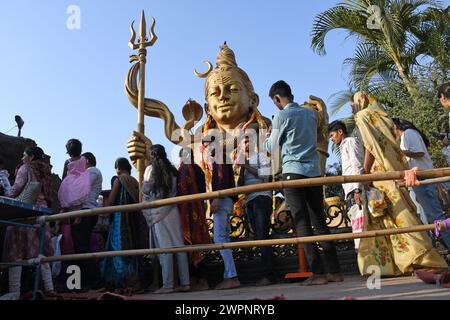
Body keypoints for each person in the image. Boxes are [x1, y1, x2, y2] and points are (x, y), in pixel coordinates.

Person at [352, 91, 448, 276]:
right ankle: (404, 262)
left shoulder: (362, 116)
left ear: (360, 102)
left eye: (354, 102)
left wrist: (364, 173)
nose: (352, 106)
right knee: (398, 217)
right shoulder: (384, 117)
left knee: (397, 218)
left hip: (380, 175)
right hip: (393, 172)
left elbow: (371, 146)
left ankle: (419, 259)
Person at [264, 80, 342, 286]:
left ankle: (317, 273)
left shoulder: (282, 115)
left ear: (277, 99)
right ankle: (334, 271)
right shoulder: (310, 114)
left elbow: (272, 147)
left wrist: (266, 137)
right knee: (319, 220)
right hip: (314, 172)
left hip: (293, 173)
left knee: (302, 222)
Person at [1, 147, 54, 300]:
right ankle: (49, 287)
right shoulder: (45, 171)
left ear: (30, 157)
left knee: (15, 251)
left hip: (25, 212)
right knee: (41, 249)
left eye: (24, 155)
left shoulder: (25, 168)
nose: (22, 158)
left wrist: (6, 191)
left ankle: (14, 291)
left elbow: (15, 189)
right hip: (41, 210)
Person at [392, 118, 450, 249]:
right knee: (426, 218)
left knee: (436, 217)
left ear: (395, 126)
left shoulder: (408, 133)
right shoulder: (405, 137)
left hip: (422, 179)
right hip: (418, 181)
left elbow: (419, 153)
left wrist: (398, 151)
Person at [142, 145, 190, 294]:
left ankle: (168, 284)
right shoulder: (172, 170)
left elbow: (145, 190)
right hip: (172, 210)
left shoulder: (150, 170)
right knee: (179, 247)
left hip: (158, 212)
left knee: (165, 248)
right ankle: (185, 282)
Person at [100, 158, 148, 293]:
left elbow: (111, 200)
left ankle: (122, 282)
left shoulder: (118, 179)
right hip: (133, 219)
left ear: (118, 167)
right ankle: (136, 282)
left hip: (120, 219)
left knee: (119, 249)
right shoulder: (134, 181)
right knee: (133, 249)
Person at [235, 136, 276, 286]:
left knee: (262, 235)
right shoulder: (243, 164)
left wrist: (245, 165)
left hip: (261, 198)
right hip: (250, 200)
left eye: (248, 141)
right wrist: (240, 168)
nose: (246, 144)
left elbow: (265, 176)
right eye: (243, 142)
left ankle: (269, 275)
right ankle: (266, 273)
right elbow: (240, 186)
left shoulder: (262, 156)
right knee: (258, 236)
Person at [202, 136, 241, 290]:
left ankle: (231, 276)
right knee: (224, 239)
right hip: (226, 200)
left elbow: (222, 178)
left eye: (208, 145)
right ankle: (229, 275)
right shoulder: (219, 157)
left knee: (219, 238)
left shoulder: (219, 156)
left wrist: (216, 197)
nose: (206, 148)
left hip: (223, 199)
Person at [328, 120, 365, 251]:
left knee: (360, 223)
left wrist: (357, 189)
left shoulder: (350, 142)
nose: (332, 139)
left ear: (340, 132)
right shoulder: (344, 146)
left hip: (356, 189)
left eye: (332, 135)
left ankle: (363, 255)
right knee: (356, 222)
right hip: (351, 189)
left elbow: (357, 164)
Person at [177, 147, 211, 291]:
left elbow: (179, 191)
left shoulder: (183, 170)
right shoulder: (198, 170)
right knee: (199, 244)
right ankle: (201, 280)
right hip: (199, 211)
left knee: (189, 245)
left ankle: (198, 279)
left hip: (187, 214)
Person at [69, 152, 103, 291]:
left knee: (82, 247)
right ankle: (82, 283)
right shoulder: (89, 172)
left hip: (85, 211)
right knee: (79, 248)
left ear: (87, 160)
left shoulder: (92, 171)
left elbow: (82, 188)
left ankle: (96, 281)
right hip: (83, 211)